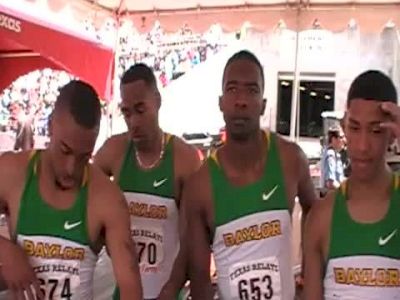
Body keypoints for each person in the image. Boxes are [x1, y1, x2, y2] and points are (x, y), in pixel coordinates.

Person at [185, 50, 317, 300]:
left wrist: (309, 272)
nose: (241, 100)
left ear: (263, 104)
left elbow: (315, 212)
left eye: (252, 90)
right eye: (233, 89)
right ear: (221, 101)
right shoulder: (200, 186)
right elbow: (200, 278)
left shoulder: (291, 160)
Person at [0, 80, 142, 300]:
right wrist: (5, 252)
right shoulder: (11, 172)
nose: (71, 168)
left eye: (84, 157)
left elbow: (131, 287)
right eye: (65, 150)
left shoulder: (108, 198)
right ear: (50, 127)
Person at [94, 63, 201, 300]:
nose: (133, 122)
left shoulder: (184, 159)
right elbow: (80, 194)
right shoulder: (115, 150)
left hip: (168, 292)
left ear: (158, 101)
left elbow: (195, 239)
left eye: (140, 110)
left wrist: (173, 288)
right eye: (127, 112)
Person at [304, 70, 400, 299]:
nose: (363, 145)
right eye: (355, 128)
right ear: (345, 126)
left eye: (376, 130)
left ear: (393, 135)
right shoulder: (321, 217)